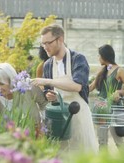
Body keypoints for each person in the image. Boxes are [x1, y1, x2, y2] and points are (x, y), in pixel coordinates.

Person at [31, 24, 99, 154]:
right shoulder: (48, 65)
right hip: (59, 118)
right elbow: (47, 92)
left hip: (78, 113)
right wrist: (49, 95)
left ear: (60, 40)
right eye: (42, 44)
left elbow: (77, 86)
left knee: (83, 154)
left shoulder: (77, 59)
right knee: (62, 155)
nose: (45, 47)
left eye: (48, 43)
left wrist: (47, 80)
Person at [89, 44, 124, 148]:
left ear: (105, 56)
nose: (98, 58)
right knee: (102, 140)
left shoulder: (119, 71)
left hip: (115, 109)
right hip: (102, 109)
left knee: (118, 140)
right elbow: (91, 87)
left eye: (99, 55)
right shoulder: (102, 70)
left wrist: (119, 91)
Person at [0, 63, 48, 136]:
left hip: (34, 135)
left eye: (1, 84)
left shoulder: (27, 86)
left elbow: (45, 104)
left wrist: (44, 126)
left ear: (11, 80)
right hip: (8, 140)